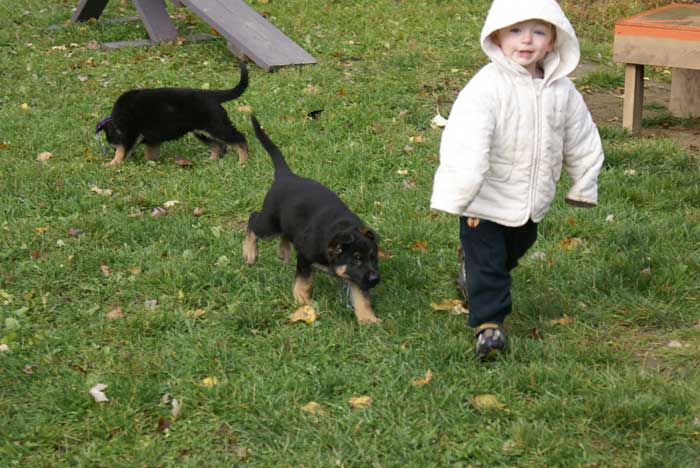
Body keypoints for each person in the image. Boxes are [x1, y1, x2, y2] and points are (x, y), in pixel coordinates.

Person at [430, 0, 604, 360]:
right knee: (490, 262)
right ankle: (488, 327)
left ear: (554, 40)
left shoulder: (562, 91)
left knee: (515, 248)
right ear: (496, 35)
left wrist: (583, 182)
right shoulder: (486, 87)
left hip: (530, 202)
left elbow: (582, 138)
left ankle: (472, 271)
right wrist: (461, 187)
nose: (526, 40)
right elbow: (466, 138)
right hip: (484, 199)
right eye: (515, 31)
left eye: (538, 32)